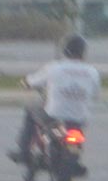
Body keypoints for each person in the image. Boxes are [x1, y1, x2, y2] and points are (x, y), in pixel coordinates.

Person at [8, 34, 101, 171]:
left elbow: (32, 81)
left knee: (30, 110)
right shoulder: (92, 72)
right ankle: (74, 159)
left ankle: (23, 151)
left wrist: (25, 83)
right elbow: (95, 94)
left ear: (65, 50)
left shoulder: (54, 67)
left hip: (54, 115)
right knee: (76, 136)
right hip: (79, 118)